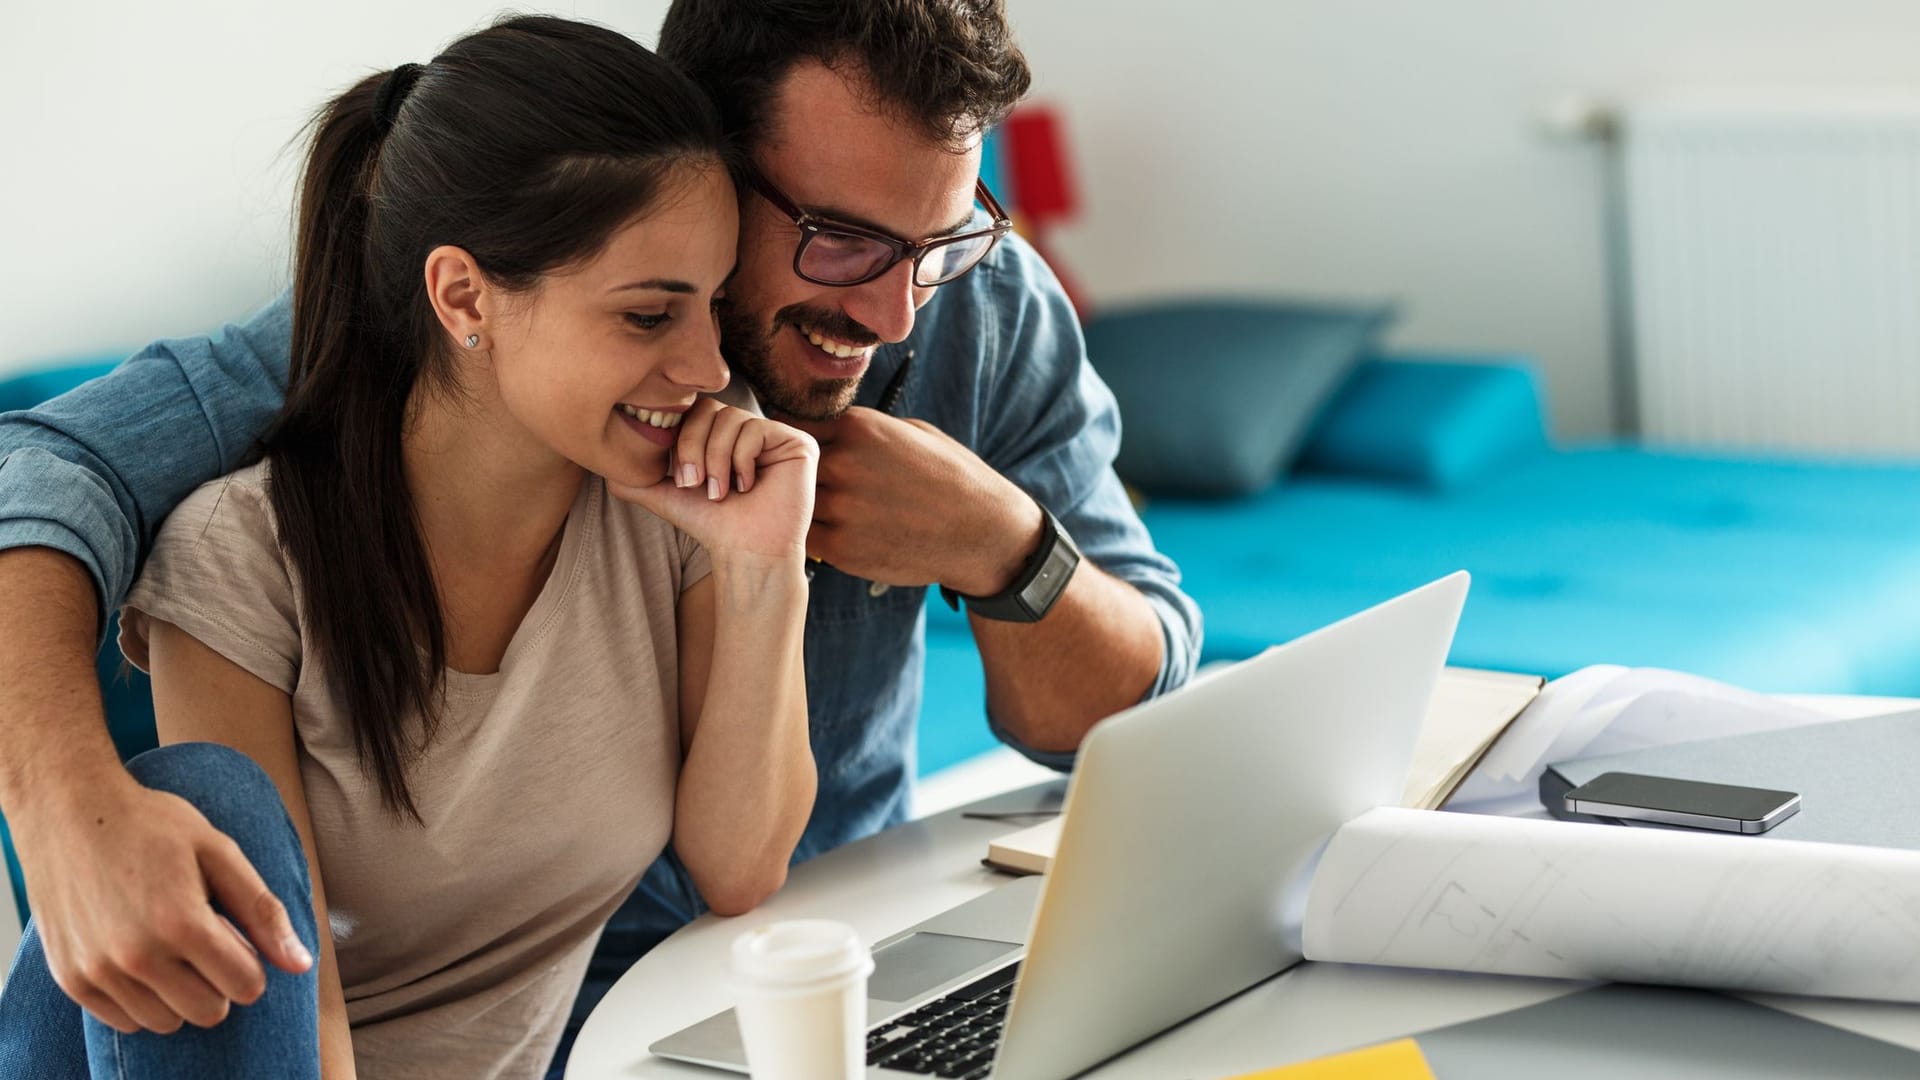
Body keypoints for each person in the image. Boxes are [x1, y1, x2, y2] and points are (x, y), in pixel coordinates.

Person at [0, 0, 1201, 1072]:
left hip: (816, 939)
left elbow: (1132, 720)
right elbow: (44, 466)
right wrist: (64, 806)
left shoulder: (964, 316)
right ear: (711, 182)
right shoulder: (411, 339)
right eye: (845, 240)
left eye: (943, 242)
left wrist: (1004, 548)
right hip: (576, 1007)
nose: (895, 317)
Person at [0, 15, 818, 1079]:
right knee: (213, 806)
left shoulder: (670, 505)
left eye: (711, 305)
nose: (708, 366)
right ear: (464, 296)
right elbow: (308, 1025)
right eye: (648, 316)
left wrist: (765, 569)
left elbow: (741, 869)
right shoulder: (244, 556)